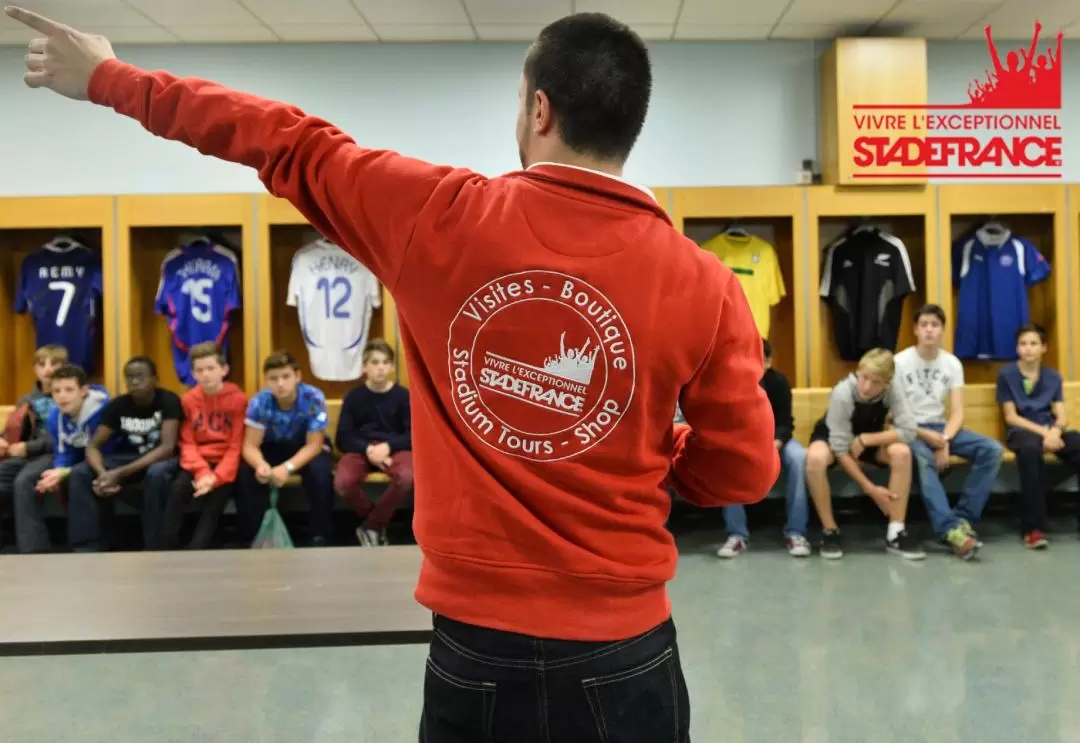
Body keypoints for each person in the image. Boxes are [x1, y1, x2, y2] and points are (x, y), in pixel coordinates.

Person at [6, 10, 778, 740]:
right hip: (626, 651)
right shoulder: (707, 284)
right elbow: (740, 470)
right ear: (629, 125)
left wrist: (111, 78)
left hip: (477, 651)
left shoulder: (435, 215)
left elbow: (279, 139)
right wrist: (659, 449)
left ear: (539, 109)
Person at [894, 305, 1003, 560]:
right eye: (924, 325)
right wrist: (929, 437)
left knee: (992, 450)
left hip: (942, 429)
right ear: (915, 330)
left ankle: (964, 519)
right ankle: (949, 530)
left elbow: (957, 413)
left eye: (935, 325)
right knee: (923, 459)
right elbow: (896, 415)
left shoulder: (952, 363)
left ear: (943, 330)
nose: (929, 330)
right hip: (912, 430)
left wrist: (944, 439)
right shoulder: (900, 362)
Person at [805, 348, 925, 560]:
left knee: (902, 452)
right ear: (857, 372)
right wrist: (870, 489)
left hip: (868, 437)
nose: (867, 387)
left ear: (887, 383)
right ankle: (830, 530)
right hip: (834, 437)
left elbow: (908, 431)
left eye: (876, 382)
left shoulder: (893, 389)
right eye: (864, 378)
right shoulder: (843, 392)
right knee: (814, 459)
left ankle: (895, 532)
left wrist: (867, 440)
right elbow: (841, 448)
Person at [67, 356, 182, 551]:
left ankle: (155, 546)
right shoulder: (118, 405)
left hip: (163, 459)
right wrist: (103, 474)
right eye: (129, 377)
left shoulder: (168, 400)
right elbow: (93, 446)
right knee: (80, 473)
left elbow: (167, 447)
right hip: (130, 459)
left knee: (156, 474)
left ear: (155, 379)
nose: (134, 382)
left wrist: (120, 474)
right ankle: (86, 547)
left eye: (140, 376)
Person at [717, 339, 810, 558]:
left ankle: (796, 532)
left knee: (798, 458)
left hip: (776, 442)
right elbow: (728, 423)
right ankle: (737, 534)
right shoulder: (732, 383)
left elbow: (786, 423)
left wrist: (775, 444)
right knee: (727, 460)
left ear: (769, 362)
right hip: (744, 442)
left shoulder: (779, 382)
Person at [997, 324, 1080, 549]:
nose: (1028, 349)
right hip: (1021, 432)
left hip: (1050, 429)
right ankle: (1033, 528)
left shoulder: (1053, 376)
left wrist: (1055, 431)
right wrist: (1045, 433)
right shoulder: (1006, 375)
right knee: (1031, 452)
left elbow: (1061, 415)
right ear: (1017, 348)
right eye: (1023, 344)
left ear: (1044, 347)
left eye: (1034, 344)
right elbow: (1011, 417)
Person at [238, 351, 333, 546]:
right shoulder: (259, 402)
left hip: (306, 447)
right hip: (272, 447)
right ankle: (251, 536)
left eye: (286, 377)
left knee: (320, 472)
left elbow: (314, 444)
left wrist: (287, 468)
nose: (280, 384)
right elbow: (249, 446)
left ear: (297, 376)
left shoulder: (313, 397)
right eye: (273, 379)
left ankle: (319, 535)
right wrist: (260, 465)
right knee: (246, 472)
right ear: (266, 380)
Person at [162, 342, 247, 550]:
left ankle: (197, 548)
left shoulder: (238, 399)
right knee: (178, 489)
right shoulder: (189, 400)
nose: (205, 374)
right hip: (197, 461)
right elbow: (187, 442)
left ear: (224, 370)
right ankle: (165, 546)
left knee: (215, 501)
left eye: (211, 369)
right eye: (199, 370)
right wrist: (202, 473)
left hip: (225, 464)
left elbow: (236, 445)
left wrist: (215, 478)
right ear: (193, 373)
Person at [334, 339, 412, 547]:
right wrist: (369, 450)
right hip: (361, 449)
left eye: (385, 362)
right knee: (342, 482)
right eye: (375, 362)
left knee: (406, 477)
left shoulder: (403, 396)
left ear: (392, 366)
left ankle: (371, 526)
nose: (380, 368)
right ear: (364, 367)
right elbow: (343, 437)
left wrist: (387, 447)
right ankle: (377, 523)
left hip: (394, 449)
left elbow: (412, 435)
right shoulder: (354, 396)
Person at [0, 344, 65, 553]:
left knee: (24, 481)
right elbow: (15, 429)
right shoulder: (28, 399)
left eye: (54, 364)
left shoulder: (65, 396)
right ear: (35, 369)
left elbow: (65, 436)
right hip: (28, 454)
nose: (48, 369)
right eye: (41, 364)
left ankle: (32, 550)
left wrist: (28, 447)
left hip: (55, 453)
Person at [34, 364, 109, 523]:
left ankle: (90, 543)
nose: (62, 396)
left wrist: (66, 471)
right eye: (56, 391)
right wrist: (58, 471)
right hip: (82, 458)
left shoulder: (103, 411)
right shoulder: (55, 416)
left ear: (83, 391)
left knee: (78, 475)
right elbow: (63, 452)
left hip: (108, 456)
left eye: (69, 390)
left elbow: (106, 451)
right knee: (59, 477)